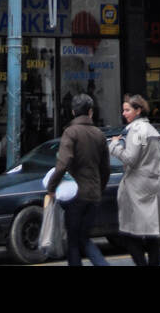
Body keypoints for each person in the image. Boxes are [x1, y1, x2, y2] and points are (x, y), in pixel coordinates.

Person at [45, 91, 111, 267]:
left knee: (74, 242)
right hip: (94, 195)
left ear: (73, 112)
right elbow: (106, 169)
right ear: (91, 112)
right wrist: (99, 188)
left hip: (75, 196)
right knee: (84, 238)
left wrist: (51, 187)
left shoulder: (71, 132)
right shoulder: (100, 135)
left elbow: (63, 163)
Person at [109, 94, 160, 266]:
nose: (124, 113)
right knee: (151, 236)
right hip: (152, 184)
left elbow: (130, 158)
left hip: (136, 187)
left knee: (131, 235)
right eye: (123, 110)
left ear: (138, 110)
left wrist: (115, 145)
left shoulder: (136, 130)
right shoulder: (151, 130)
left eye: (127, 110)